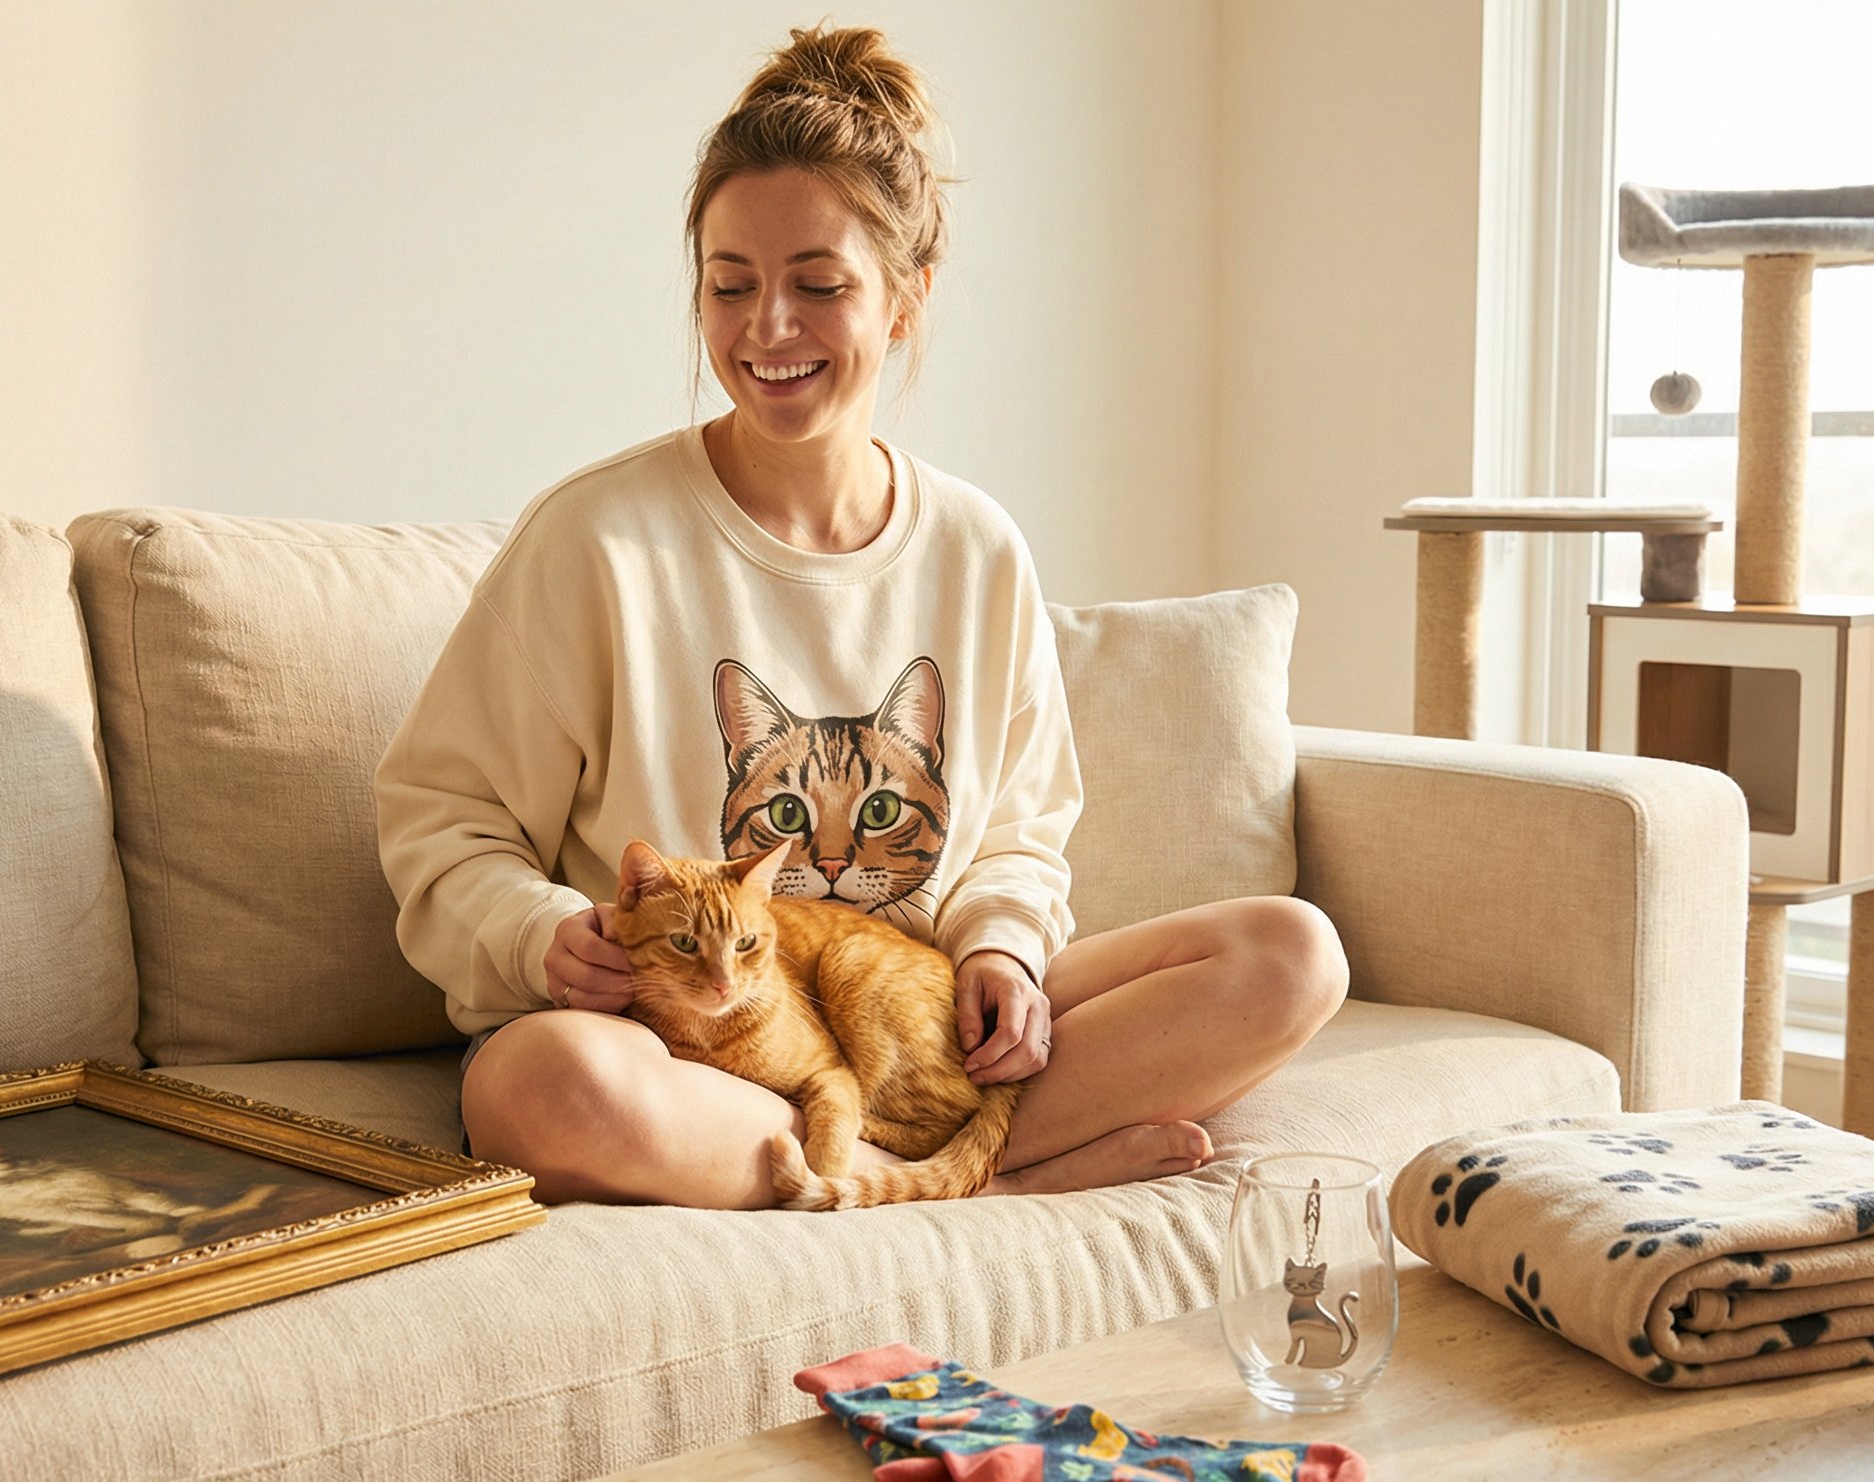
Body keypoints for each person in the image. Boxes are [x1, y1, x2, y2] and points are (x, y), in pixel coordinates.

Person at [376, 24, 1347, 1208]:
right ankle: (966, 1172)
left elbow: (1021, 830)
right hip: (682, 1048)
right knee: (536, 1086)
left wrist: (1001, 945)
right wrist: (537, 933)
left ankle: (891, 1165)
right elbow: (443, 820)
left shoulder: (977, 548)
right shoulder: (596, 540)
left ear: (904, 299)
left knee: (1288, 956)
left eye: (818, 287)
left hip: (909, 1028)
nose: (765, 329)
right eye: (729, 286)